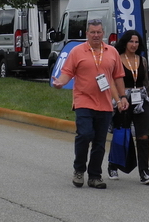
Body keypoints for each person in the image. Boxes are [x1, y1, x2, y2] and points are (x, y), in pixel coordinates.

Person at [51, 19, 129, 190]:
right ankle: (79, 170)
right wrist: (60, 83)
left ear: (103, 33)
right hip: (83, 100)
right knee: (85, 135)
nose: (96, 35)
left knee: (100, 142)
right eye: (92, 32)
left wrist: (122, 97)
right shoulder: (77, 51)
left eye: (99, 32)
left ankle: (95, 176)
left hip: (105, 104)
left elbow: (118, 77)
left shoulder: (112, 52)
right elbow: (67, 73)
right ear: (87, 34)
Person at [107, 29, 149, 185]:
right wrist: (117, 100)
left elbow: (147, 83)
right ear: (125, 42)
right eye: (131, 41)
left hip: (141, 100)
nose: (134, 45)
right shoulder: (117, 59)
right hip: (123, 100)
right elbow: (113, 82)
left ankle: (144, 172)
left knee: (143, 136)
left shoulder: (142, 60)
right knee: (122, 133)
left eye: (136, 42)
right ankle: (113, 164)